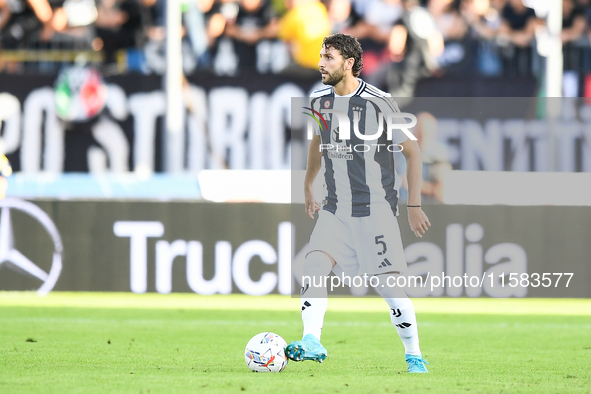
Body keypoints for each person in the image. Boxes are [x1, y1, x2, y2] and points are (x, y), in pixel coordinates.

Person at [286, 33, 431, 373]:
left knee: (389, 288)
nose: (321, 63)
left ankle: (413, 355)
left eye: (329, 57)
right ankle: (312, 340)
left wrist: (414, 205)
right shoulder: (320, 101)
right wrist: (308, 185)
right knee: (314, 266)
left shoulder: (379, 101)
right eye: (321, 56)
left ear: (349, 63)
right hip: (335, 208)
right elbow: (316, 143)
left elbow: (412, 152)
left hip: (374, 210)